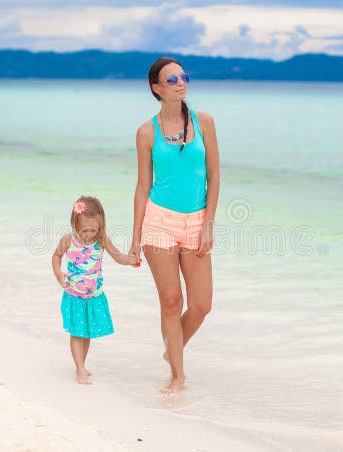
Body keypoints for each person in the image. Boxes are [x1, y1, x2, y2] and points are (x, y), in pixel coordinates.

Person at [129, 57, 221, 393]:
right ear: (156, 88)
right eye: (172, 80)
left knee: (201, 304)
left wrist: (209, 222)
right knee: (171, 301)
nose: (181, 83)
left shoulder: (205, 122)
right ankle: (178, 376)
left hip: (196, 220)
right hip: (159, 221)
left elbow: (214, 175)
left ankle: (172, 349)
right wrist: (136, 236)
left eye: (183, 77)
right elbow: (142, 186)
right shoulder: (145, 132)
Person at [52, 196, 139, 385]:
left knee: (87, 333)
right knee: (76, 332)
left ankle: (81, 364)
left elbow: (117, 256)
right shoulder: (68, 240)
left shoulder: (101, 240)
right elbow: (56, 256)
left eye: (94, 229)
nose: (89, 234)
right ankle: (79, 368)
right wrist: (59, 274)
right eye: (85, 230)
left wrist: (129, 260)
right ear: (75, 224)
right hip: (74, 296)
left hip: (94, 297)